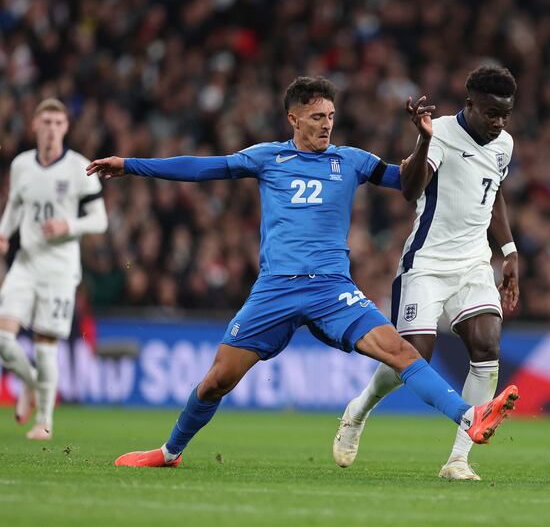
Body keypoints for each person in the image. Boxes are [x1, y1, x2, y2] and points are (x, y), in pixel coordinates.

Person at [86, 76, 519, 468]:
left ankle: (470, 416)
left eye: (331, 116)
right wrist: (131, 164)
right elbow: (203, 167)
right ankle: (169, 452)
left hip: (333, 290)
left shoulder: (352, 160)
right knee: (216, 381)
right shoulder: (267, 158)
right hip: (275, 290)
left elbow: (409, 183)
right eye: (316, 117)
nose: (326, 124)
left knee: (402, 352)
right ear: (293, 118)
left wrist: (426, 142)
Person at [332, 65, 518, 481]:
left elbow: (495, 191)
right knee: (415, 355)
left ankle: (457, 459)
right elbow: (411, 190)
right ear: (470, 105)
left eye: (505, 114)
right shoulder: (443, 134)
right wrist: (423, 138)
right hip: (427, 263)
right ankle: (359, 410)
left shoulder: (504, 143)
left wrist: (508, 250)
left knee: (487, 346)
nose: (499, 122)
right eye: (491, 113)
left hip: (473, 263)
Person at [0, 98, 108, 440]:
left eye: (58, 123)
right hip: (26, 263)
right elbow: (15, 204)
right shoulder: (21, 165)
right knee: (3, 339)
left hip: (60, 269)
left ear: (66, 127)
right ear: (34, 126)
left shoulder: (79, 167)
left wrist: (69, 226)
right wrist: (4, 233)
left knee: (46, 346)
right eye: (45, 122)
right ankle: (31, 384)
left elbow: (100, 220)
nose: (51, 129)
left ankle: (44, 422)